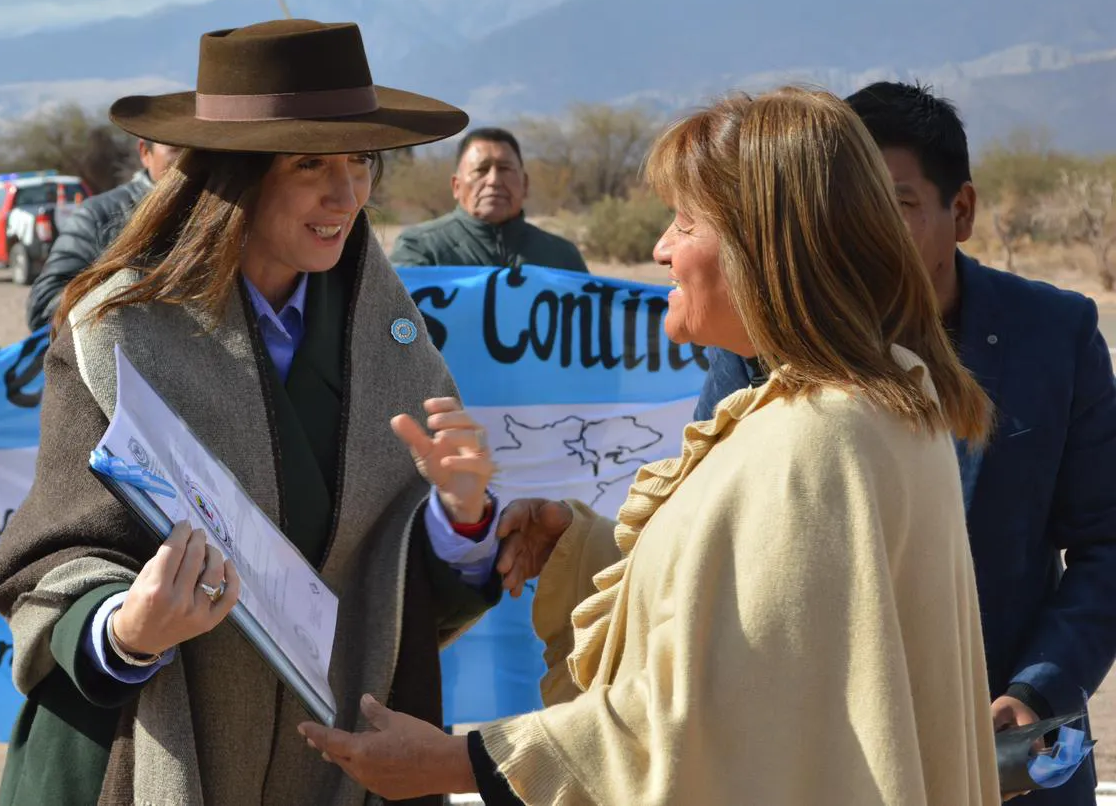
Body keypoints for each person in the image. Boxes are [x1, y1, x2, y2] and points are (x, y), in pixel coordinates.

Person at [299, 87, 1002, 806]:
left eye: (687, 221)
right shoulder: (864, 404)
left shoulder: (819, 441)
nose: (662, 248)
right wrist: (583, 547)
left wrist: (462, 762)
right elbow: (761, 629)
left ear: (764, 246)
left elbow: (710, 718)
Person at [0, 19, 510, 806]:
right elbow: (54, 556)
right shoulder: (114, 335)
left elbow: (391, 587)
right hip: (136, 755)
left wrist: (460, 523)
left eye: (361, 162)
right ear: (235, 176)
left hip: (332, 765)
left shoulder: (399, 349)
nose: (347, 195)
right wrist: (129, 630)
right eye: (310, 165)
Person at [694, 82, 1116, 806]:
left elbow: (1107, 545)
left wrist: (1037, 688)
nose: (867, 238)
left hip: (1007, 763)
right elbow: (698, 532)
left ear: (963, 212)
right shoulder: (762, 343)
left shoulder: (1055, 336)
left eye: (896, 206)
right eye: (845, 210)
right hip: (819, 760)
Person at [25, 137, 182, 330]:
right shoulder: (97, 216)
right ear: (145, 153)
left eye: (201, 149)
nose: (192, 159)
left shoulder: (223, 214)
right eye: (177, 148)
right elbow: (44, 307)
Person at [389, 127, 588, 272]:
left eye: (505, 169)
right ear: (456, 186)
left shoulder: (562, 257)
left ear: (525, 184)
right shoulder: (420, 249)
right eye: (481, 170)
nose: (494, 180)